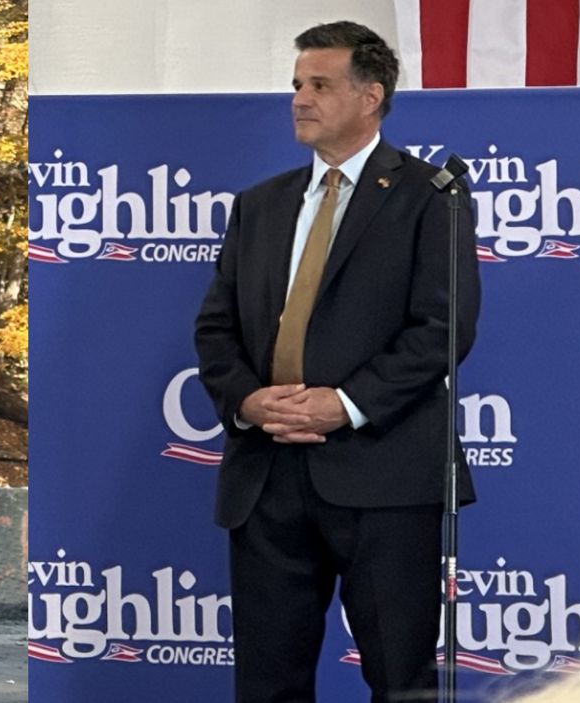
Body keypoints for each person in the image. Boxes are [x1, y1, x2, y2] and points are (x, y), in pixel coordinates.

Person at [193, 21, 480, 702]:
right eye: (297, 84)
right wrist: (248, 400)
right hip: (267, 475)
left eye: (320, 85)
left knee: (400, 680)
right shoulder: (260, 205)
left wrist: (343, 404)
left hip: (384, 475)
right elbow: (215, 327)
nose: (300, 99)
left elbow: (442, 328)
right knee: (267, 682)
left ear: (370, 96)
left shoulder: (430, 196)